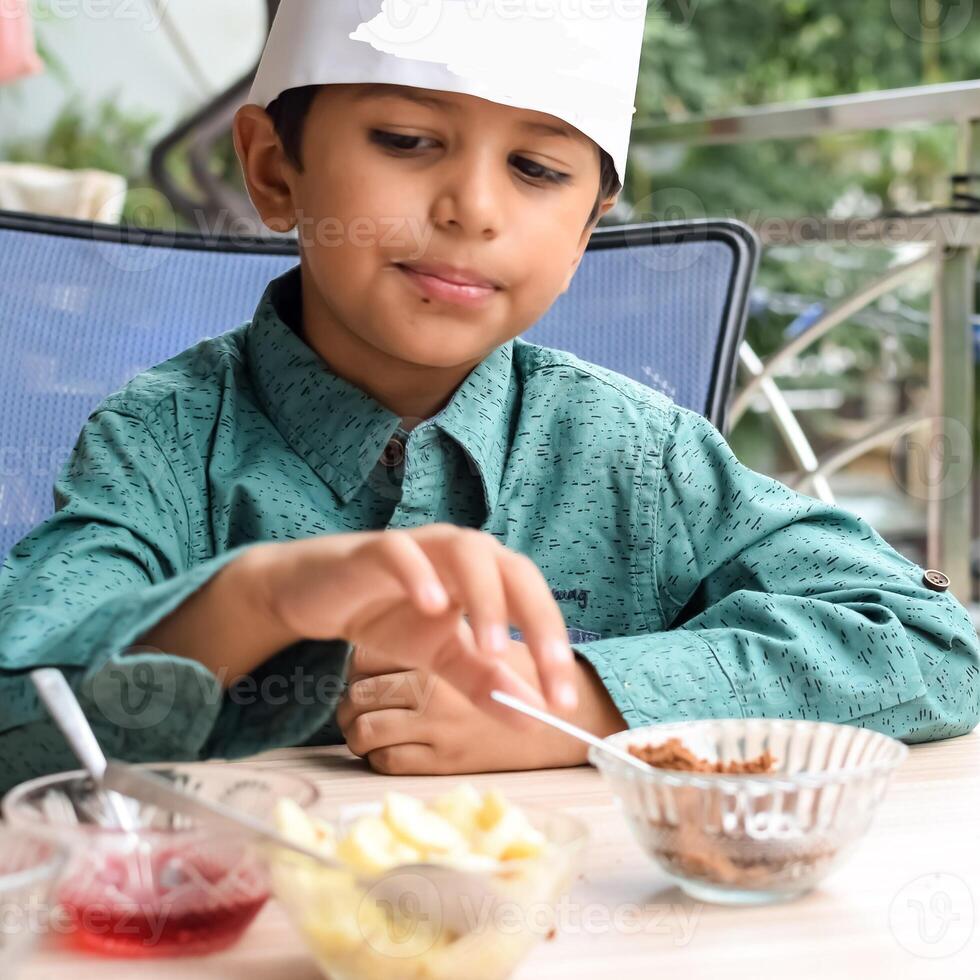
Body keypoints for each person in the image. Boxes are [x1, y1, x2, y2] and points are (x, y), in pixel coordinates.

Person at [0, 1, 977, 795]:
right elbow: (16, 709)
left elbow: (931, 643)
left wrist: (575, 705)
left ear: (588, 224)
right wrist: (261, 595)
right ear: (271, 167)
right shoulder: (162, 439)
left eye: (537, 168)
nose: (472, 206)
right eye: (405, 139)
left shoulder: (641, 455)